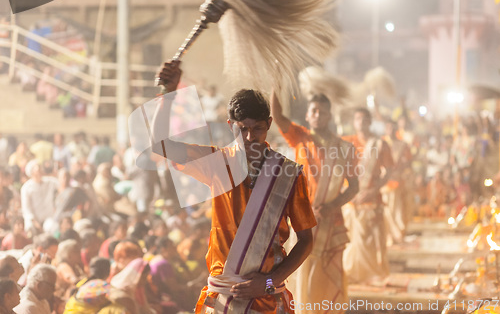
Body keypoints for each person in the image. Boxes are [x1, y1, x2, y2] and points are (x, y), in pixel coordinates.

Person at [149, 61, 316, 313]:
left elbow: (306, 240)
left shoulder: (290, 174)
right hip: (222, 298)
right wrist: (168, 95)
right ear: (230, 125)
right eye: (242, 129)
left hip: (268, 297)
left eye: (257, 128)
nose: (250, 137)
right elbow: (159, 145)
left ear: (269, 124)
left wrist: (269, 282)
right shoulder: (217, 163)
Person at [271, 90, 359, 313]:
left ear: (330, 116)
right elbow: (277, 115)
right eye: (314, 111)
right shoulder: (300, 137)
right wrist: (277, 83)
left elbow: (354, 186)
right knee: (302, 273)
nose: (318, 115)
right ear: (308, 116)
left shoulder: (345, 148)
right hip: (303, 220)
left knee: (329, 275)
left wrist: (331, 206)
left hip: (332, 221)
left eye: (323, 111)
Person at [342, 108, 394, 284]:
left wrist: (373, 190)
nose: (361, 123)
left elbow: (389, 170)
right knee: (350, 242)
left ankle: (371, 275)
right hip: (350, 202)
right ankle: (351, 274)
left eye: (365, 119)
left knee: (371, 242)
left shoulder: (380, 144)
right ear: (354, 122)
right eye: (357, 119)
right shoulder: (346, 143)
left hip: (371, 200)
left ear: (370, 122)